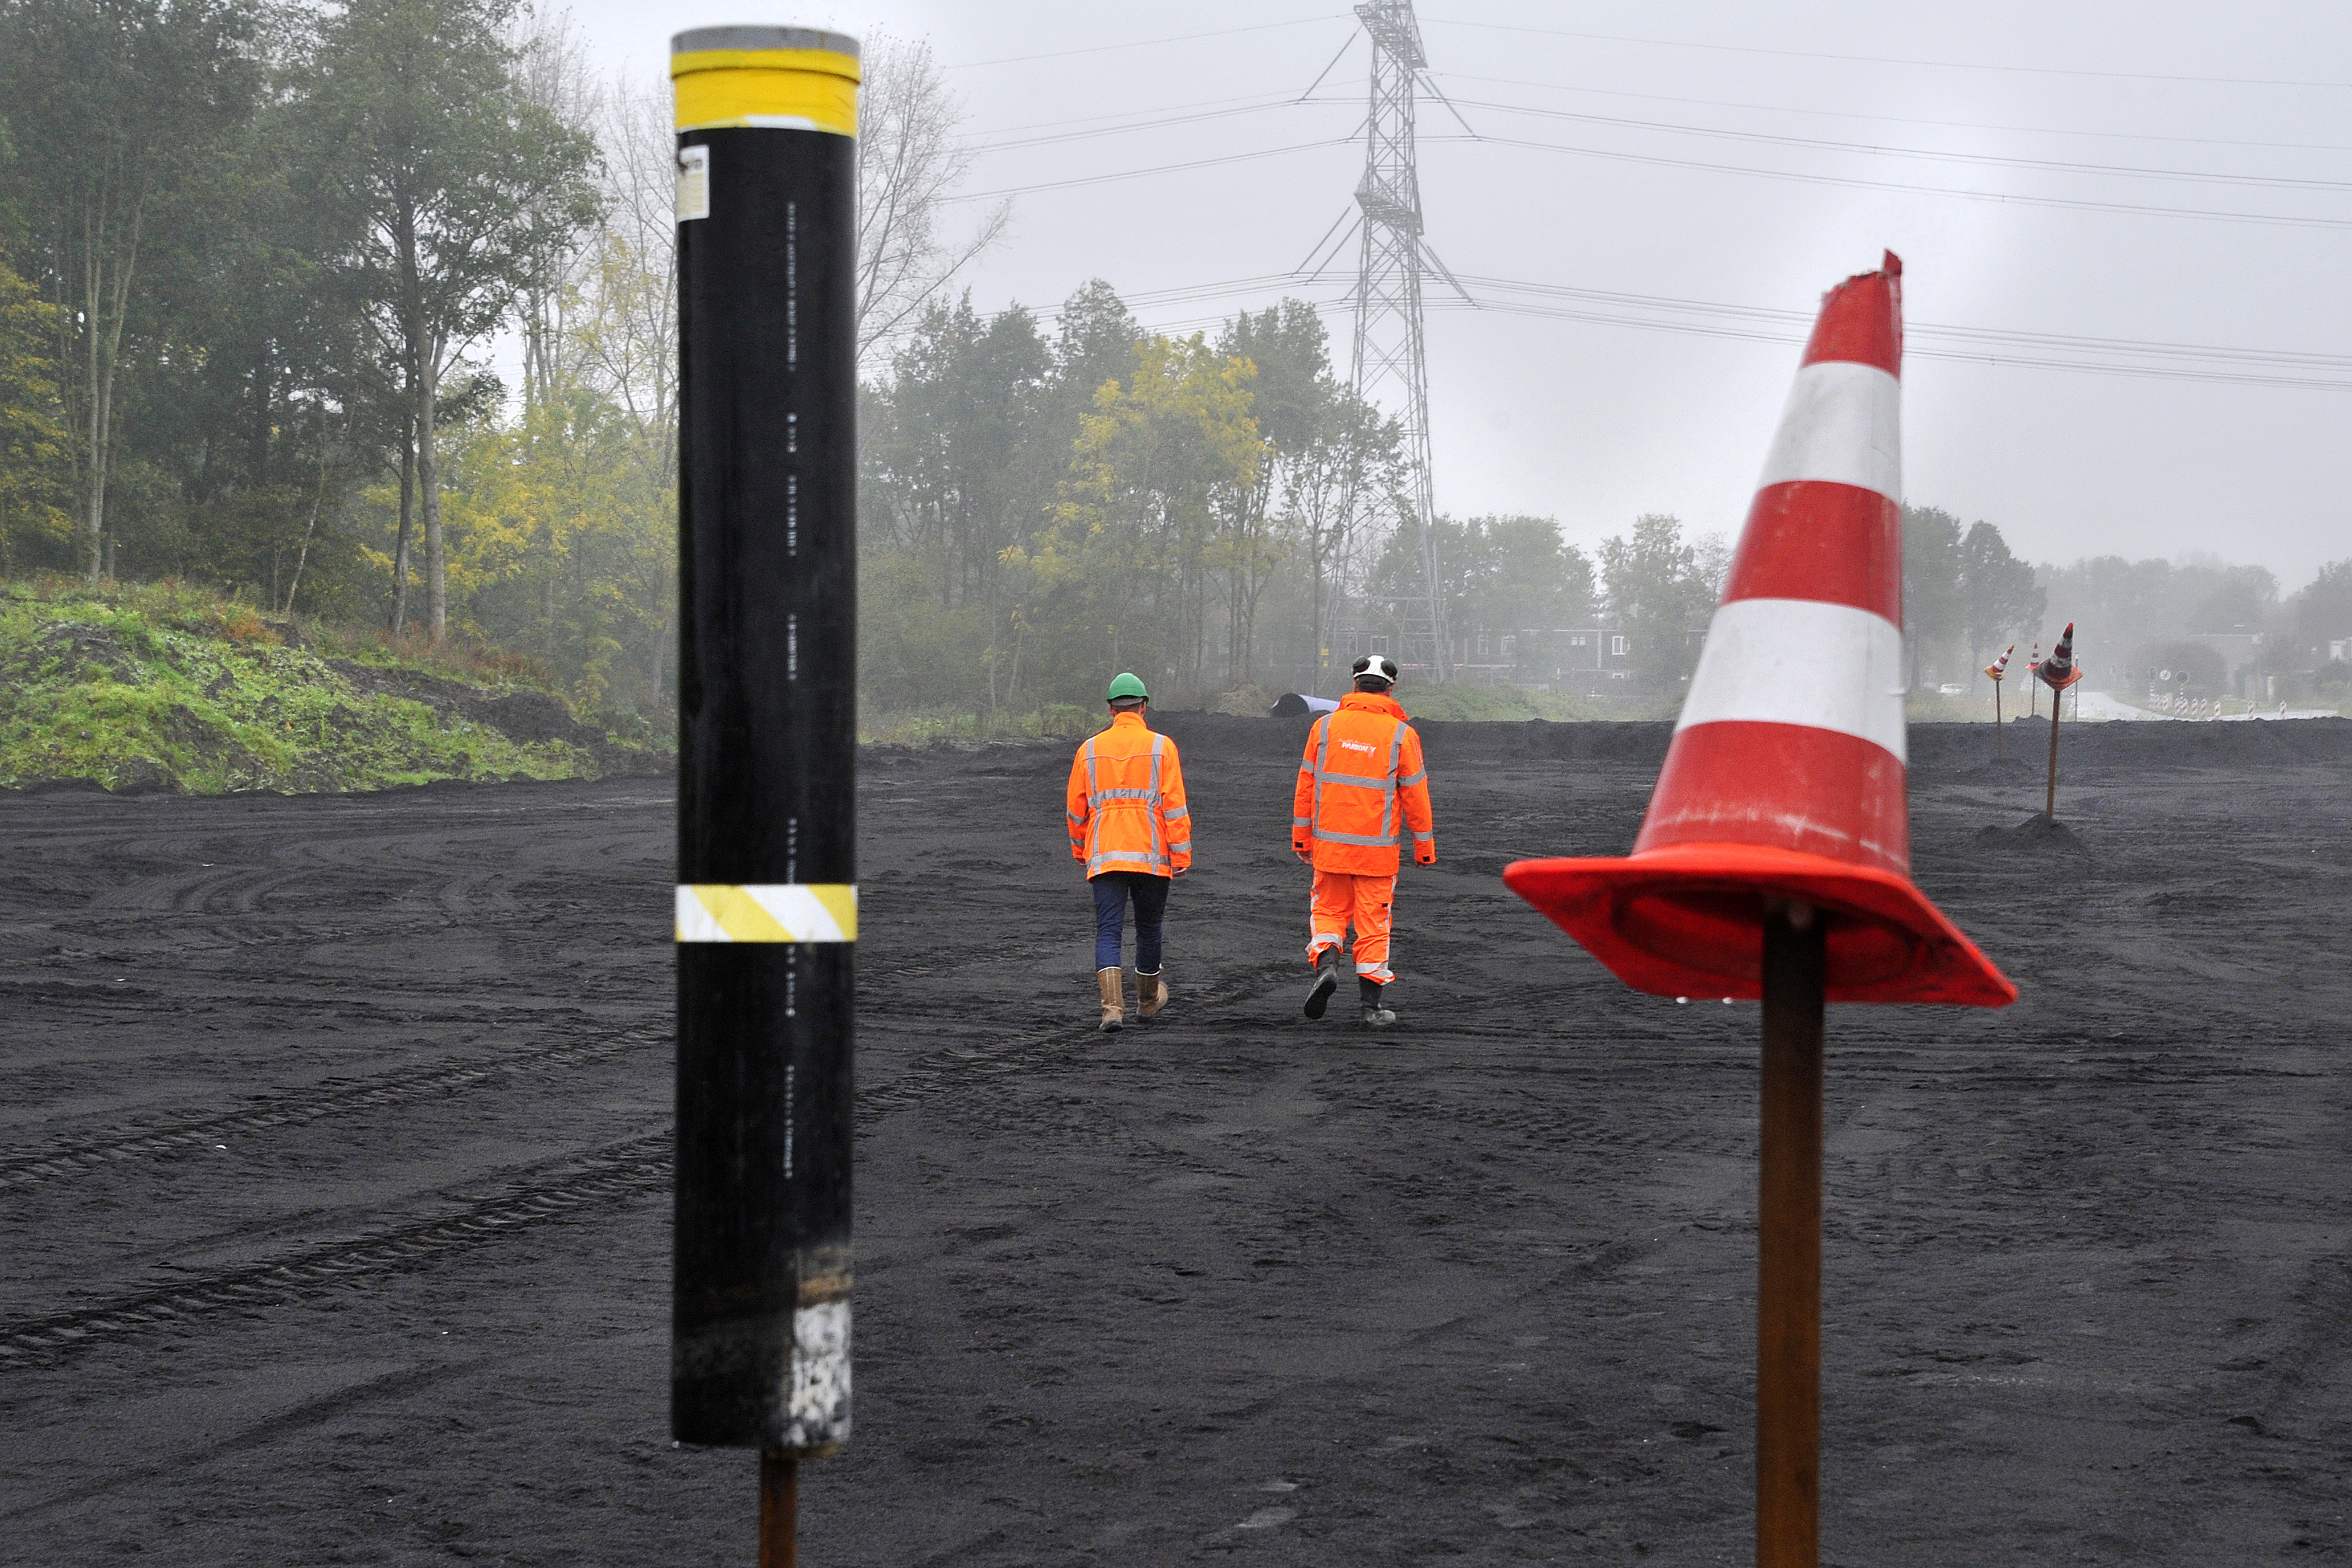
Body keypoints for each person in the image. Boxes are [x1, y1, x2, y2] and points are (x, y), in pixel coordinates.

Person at [1293, 654, 1436, 1028]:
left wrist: (1301, 841)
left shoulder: (1323, 729)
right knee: (1374, 927)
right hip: (1377, 856)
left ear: (1355, 685)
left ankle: (1327, 966)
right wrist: (1425, 847)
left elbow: (1305, 787)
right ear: (1390, 688)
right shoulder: (1402, 735)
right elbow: (1416, 796)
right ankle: (1371, 1009)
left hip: (1330, 850)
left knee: (1328, 914)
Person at [1066, 672, 1191, 1032]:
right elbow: (1175, 806)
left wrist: (1081, 850)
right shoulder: (1162, 747)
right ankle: (1148, 1002)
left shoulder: (1088, 750)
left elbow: (1077, 809)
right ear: (1144, 707)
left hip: (1105, 855)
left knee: (1108, 931)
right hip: (1152, 858)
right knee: (1149, 928)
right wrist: (1181, 855)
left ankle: (1111, 1010)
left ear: (1110, 709)